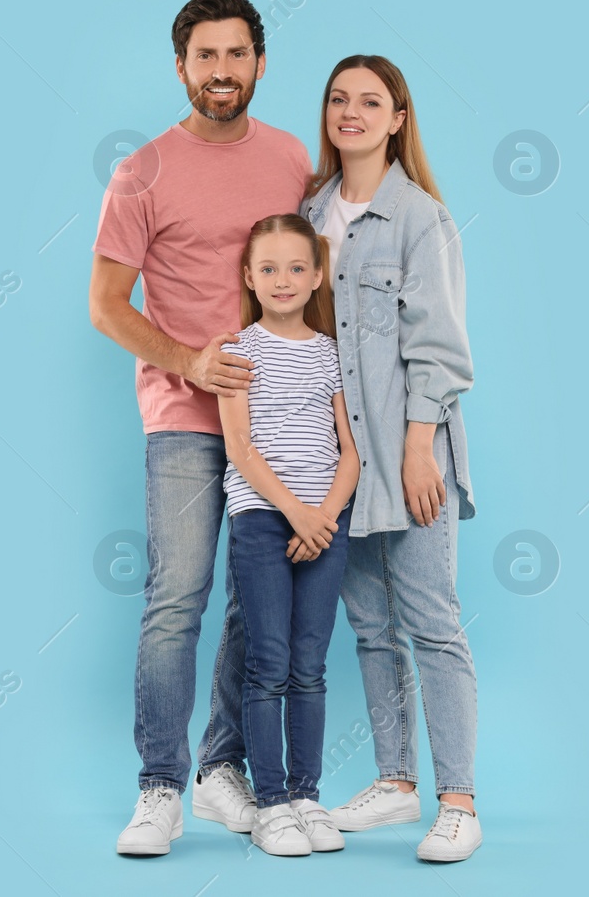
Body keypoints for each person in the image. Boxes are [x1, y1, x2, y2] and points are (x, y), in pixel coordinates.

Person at [89, 0, 312, 856]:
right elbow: (107, 306)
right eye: (205, 57)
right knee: (176, 596)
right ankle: (158, 787)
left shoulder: (293, 158)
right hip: (184, 414)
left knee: (258, 603)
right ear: (181, 66)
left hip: (283, 416)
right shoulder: (142, 171)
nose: (222, 72)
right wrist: (188, 361)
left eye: (236, 54)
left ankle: (223, 768)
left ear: (260, 61)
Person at [299, 55, 483, 862]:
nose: (352, 112)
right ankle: (397, 782)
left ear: (398, 117)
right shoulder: (309, 214)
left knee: (433, 622)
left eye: (370, 101)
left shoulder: (419, 218)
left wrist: (418, 448)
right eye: (339, 99)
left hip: (408, 452)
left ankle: (460, 801)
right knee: (370, 625)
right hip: (344, 464)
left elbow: (438, 347)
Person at [217, 214, 360, 856]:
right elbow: (241, 449)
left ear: (318, 275)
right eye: (268, 268)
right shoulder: (236, 351)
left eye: (297, 267)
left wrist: (323, 517)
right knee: (267, 662)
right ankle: (270, 803)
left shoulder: (333, 353)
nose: (283, 279)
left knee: (309, 665)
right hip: (262, 519)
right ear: (249, 277)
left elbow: (350, 452)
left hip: (327, 522)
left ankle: (306, 796)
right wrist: (295, 515)